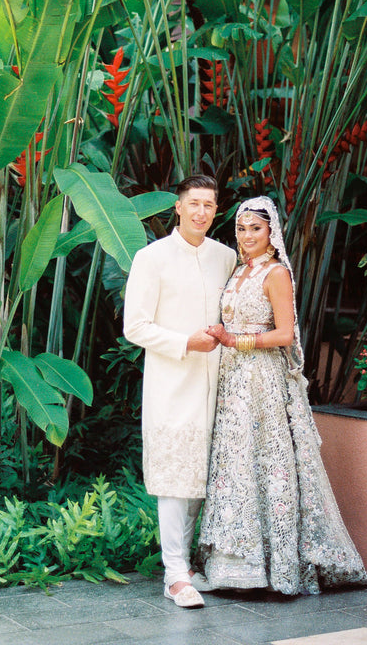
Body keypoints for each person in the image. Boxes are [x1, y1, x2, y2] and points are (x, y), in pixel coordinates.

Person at [196, 195, 367, 594]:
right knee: (236, 461)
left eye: (255, 229)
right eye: (241, 229)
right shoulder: (240, 271)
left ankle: (276, 567)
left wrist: (235, 340)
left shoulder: (275, 273)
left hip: (261, 378)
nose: (246, 236)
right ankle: (232, 566)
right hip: (233, 380)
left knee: (264, 458)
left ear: (271, 232)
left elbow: (285, 334)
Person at [123, 174, 237, 608]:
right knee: (175, 479)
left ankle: (184, 565)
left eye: (209, 205)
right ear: (178, 205)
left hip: (220, 385)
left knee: (200, 478)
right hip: (172, 382)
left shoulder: (225, 257)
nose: (201, 212)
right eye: (194, 203)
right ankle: (174, 575)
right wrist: (186, 342)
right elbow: (135, 326)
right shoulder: (151, 258)